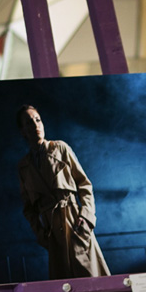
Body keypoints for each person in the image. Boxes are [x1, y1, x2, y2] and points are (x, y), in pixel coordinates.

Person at [16, 105, 110, 279]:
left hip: (75, 222)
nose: (36, 125)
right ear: (23, 131)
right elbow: (28, 209)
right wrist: (41, 235)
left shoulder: (60, 148)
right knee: (66, 287)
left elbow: (84, 185)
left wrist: (86, 219)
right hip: (53, 234)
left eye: (38, 120)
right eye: (29, 122)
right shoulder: (24, 167)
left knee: (93, 281)